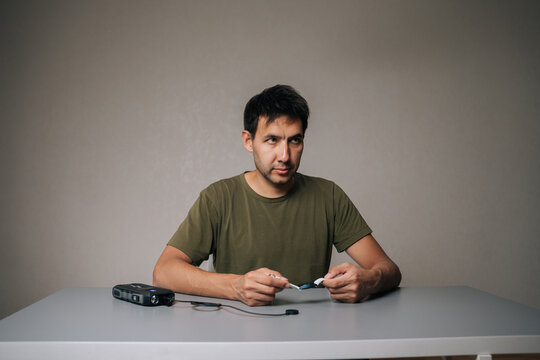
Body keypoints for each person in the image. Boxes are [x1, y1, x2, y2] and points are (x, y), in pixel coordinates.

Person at [153, 84, 401, 306]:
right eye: (272, 140)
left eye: (295, 140)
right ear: (248, 141)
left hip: (310, 337)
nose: (285, 155)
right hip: (235, 340)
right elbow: (164, 271)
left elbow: (389, 269)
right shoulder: (218, 198)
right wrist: (236, 287)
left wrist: (370, 280)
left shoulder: (328, 196)